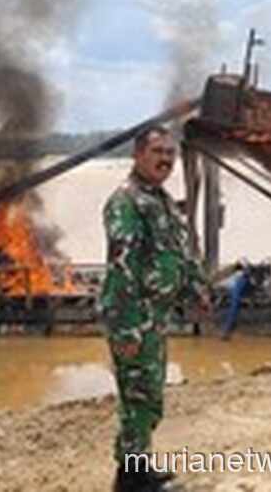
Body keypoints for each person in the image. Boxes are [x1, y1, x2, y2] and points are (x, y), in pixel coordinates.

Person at [100, 126, 212, 492]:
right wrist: (126, 329)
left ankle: (139, 468)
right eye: (157, 152)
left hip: (156, 317)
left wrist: (197, 288)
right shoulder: (126, 202)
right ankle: (130, 481)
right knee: (137, 398)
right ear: (137, 155)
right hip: (136, 318)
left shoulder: (161, 200)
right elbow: (121, 269)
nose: (165, 159)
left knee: (150, 397)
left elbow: (181, 251)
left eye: (170, 153)